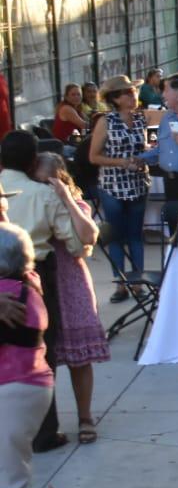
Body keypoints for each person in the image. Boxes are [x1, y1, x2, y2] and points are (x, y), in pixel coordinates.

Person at [0, 219, 77, 488]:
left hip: (14, 389)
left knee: (10, 481)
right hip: (26, 387)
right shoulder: (25, 282)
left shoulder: (9, 293)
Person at [1, 131, 88, 454]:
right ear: (32, 160)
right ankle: (43, 432)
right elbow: (77, 245)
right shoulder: (43, 194)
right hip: (33, 278)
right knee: (40, 353)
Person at [30, 153, 106, 445]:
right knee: (44, 356)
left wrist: (64, 197)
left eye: (47, 181)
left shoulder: (76, 203)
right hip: (42, 282)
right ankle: (46, 423)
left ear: (59, 178)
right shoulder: (32, 202)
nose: (43, 188)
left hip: (71, 281)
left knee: (79, 357)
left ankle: (85, 417)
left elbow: (88, 236)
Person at [87, 76, 149, 302]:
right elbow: (93, 156)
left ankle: (138, 283)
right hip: (113, 186)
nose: (133, 96)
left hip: (138, 184)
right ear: (115, 98)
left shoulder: (140, 118)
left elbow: (142, 147)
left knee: (136, 236)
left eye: (133, 92)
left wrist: (144, 157)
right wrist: (121, 162)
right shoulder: (106, 121)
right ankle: (120, 284)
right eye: (127, 93)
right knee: (116, 237)